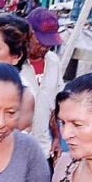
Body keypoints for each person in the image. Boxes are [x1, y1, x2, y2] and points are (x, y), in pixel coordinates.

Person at [21, 8, 64, 159]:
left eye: (50, 44)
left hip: (43, 150)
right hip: (14, 149)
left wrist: (57, 137)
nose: (45, 47)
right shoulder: (13, 62)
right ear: (28, 32)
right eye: (41, 42)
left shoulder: (54, 62)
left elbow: (53, 106)